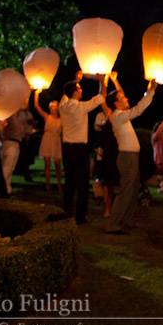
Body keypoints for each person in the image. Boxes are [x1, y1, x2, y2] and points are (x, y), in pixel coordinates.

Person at [100, 74, 156, 233]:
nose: (126, 99)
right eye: (122, 98)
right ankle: (113, 224)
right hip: (127, 158)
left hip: (132, 157)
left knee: (133, 190)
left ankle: (127, 220)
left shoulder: (120, 115)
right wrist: (150, 92)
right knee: (126, 191)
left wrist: (114, 80)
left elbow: (120, 93)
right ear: (117, 103)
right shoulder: (118, 116)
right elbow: (138, 109)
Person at [57, 72, 107, 224]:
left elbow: (64, 94)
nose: (81, 90)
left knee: (70, 182)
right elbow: (102, 96)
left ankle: (66, 212)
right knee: (82, 183)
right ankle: (80, 217)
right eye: (79, 88)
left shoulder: (62, 105)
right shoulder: (81, 107)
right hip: (79, 149)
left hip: (66, 148)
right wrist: (102, 80)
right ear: (74, 92)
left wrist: (77, 79)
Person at [34, 90, 63, 191]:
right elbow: (36, 106)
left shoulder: (62, 120)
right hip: (47, 140)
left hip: (56, 141)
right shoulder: (47, 117)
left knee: (57, 165)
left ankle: (59, 184)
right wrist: (37, 93)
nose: (52, 109)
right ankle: (48, 184)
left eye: (54, 107)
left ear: (57, 108)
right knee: (47, 164)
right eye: (51, 107)